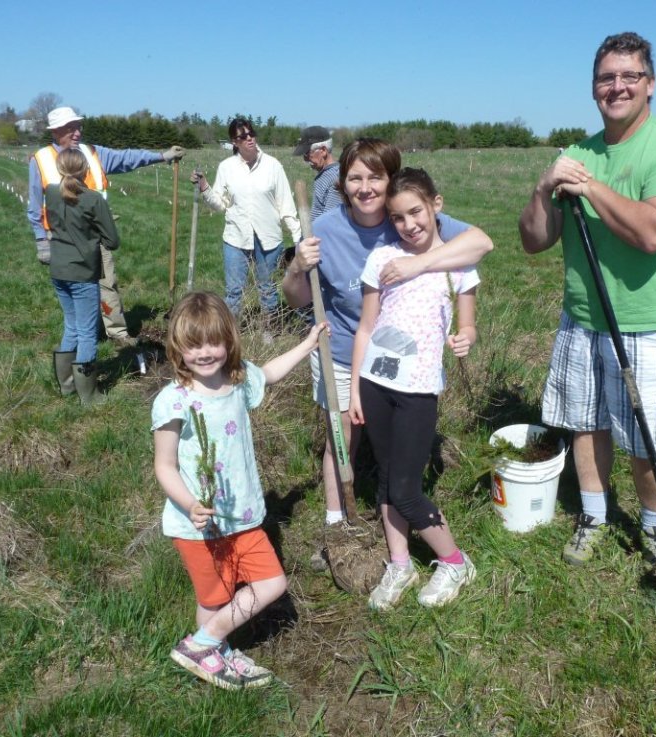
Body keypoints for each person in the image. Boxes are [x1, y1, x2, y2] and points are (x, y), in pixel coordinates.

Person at [518, 31, 656, 567]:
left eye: (630, 76)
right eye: (607, 78)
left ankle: (654, 525)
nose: (617, 86)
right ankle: (594, 513)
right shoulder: (577, 153)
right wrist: (543, 188)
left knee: (645, 436)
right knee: (586, 421)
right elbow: (534, 241)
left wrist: (591, 189)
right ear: (593, 88)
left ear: (650, 85)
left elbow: (653, 233)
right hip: (582, 317)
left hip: (647, 322)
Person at [281, 138, 492, 561]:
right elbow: (296, 299)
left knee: (390, 453)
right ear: (341, 183)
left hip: (401, 363)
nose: (365, 187)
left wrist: (418, 264)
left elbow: (481, 243)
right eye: (354, 178)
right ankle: (336, 524)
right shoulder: (323, 229)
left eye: (375, 176)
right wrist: (297, 266)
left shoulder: (408, 216)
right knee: (341, 438)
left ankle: (396, 507)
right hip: (342, 348)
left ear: (390, 179)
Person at [152, 291, 326, 690]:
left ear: (229, 340)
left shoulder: (237, 380)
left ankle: (204, 644)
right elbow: (164, 465)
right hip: (199, 524)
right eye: (194, 344)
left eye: (214, 341)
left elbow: (270, 372)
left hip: (244, 514)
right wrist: (190, 503)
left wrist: (307, 344)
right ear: (178, 347)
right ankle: (214, 652)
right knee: (214, 599)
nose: (205, 352)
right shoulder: (173, 400)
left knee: (271, 584)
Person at [350, 168, 481, 609]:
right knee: (387, 478)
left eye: (416, 212)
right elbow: (366, 328)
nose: (409, 225)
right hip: (374, 383)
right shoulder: (383, 260)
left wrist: (465, 337)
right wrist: (354, 389)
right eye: (398, 217)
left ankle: (455, 561)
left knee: (406, 486)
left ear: (435, 205)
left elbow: (468, 323)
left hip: (418, 389)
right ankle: (400, 563)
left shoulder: (458, 264)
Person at [28, 106, 184, 347]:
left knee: (106, 283)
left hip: (95, 236)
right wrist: (40, 240)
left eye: (78, 126)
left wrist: (161, 156)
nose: (77, 132)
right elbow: (35, 203)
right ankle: (82, 336)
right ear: (56, 131)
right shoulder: (41, 160)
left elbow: (126, 158)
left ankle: (117, 332)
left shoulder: (92, 153)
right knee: (76, 291)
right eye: (70, 128)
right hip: (61, 239)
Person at [191, 118, 302, 335]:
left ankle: (270, 331)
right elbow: (220, 204)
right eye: (243, 136)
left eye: (252, 134)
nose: (250, 139)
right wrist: (204, 187)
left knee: (267, 288)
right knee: (234, 290)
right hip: (236, 237)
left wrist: (298, 238)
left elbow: (286, 206)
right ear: (234, 141)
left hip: (268, 237)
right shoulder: (226, 167)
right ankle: (229, 333)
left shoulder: (273, 166)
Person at [47, 148, 120, 405]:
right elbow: (113, 240)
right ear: (86, 170)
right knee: (88, 332)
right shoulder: (93, 199)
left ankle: (67, 386)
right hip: (81, 273)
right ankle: (89, 396)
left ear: (59, 169)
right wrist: (100, 226)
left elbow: (64, 221)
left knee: (72, 326)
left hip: (58, 270)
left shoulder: (51, 193)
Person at [293, 126, 344, 222]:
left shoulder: (335, 177)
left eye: (308, 153)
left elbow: (331, 220)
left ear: (323, 150)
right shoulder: (325, 175)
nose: (305, 159)